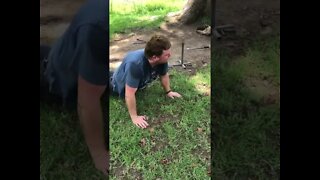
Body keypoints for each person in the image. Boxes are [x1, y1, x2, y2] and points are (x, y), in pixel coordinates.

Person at [40, 0, 108, 176]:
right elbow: (87, 103)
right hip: (53, 79)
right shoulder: (98, 28)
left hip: (62, 54)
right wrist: (99, 154)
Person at [110, 34, 182, 129]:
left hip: (129, 75)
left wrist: (168, 92)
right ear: (154, 57)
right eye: (167, 55)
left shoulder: (162, 60)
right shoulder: (136, 65)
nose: (170, 55)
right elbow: (129, 94)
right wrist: (134, 117)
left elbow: (164, 75)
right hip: (113, 84)